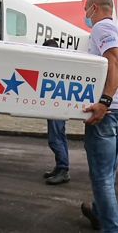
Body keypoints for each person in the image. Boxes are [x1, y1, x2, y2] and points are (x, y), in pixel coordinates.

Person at [81, 0, 118, 233]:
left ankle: (112, 229)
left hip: (110, 112)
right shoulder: (117, 31)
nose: (85, 15)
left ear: (94, 8)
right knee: (109, 172)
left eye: (86, 10)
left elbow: (115, 61)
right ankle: (99, 215)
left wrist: (104, 101)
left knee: (101, 177)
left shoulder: (101, 28)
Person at [42, 39, 71, 185]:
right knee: (60, 137)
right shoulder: (62, 64)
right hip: (58, 106)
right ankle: (60, 167)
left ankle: (63, 170)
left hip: (56, 106)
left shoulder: (55, 65)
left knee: (55, 139)